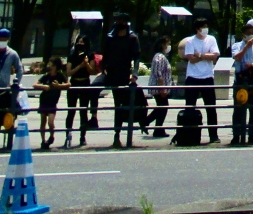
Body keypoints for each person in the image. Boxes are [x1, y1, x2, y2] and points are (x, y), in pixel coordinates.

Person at [102, 13, 142, 148]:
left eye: (122, 21)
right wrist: (103, 69)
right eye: (118, 21)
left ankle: (118, 134)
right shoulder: (110, 37)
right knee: (93, 89)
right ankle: (93, 118)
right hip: (110, 73)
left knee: (121, 105)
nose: (120, 24)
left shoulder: (132, 38)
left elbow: (136, 57)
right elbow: (105, 54)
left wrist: (134, 74)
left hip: (124, 75)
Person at [182, 18, 221, 144]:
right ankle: (189, 136)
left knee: (211, 108)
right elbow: (191, 59)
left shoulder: (211, 39)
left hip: (207, 77)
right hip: (192, 77)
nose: (205, 29)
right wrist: (206, 56)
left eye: (206, 26)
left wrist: (199, 55)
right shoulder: (190, 41)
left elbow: (215, 56)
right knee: (190, 107)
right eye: (202, 27)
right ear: (197, 29)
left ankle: (213, 136)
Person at [230, 18, 253, 145]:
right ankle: (236, 135)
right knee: (238, 110)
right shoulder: (236, 46)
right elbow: (236, 57)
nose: (251, 35)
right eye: (248, 33)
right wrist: (246, 47)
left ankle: (251, 135)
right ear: (243, 35)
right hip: (240, 82)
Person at [66, 34, 99, 147]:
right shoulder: (72, 55)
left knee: (83, 111)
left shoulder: (90, 55)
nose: (80, 44)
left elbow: (92, 71)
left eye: (82, 42)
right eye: (78, 41)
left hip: (85, 83)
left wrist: (86, 64)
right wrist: (80, 66)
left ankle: (82, 136)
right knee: (71, 110)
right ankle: (68, 134)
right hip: (74, 83)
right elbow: (68, 72)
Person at [34, 57, 68, 150]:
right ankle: (43, 140)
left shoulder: (60, 76)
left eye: (51, 65)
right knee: (43, 121)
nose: (49, 66)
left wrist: (59, 86)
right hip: (44, 100)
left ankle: (51, 136)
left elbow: (68, 84)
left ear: (56, 66)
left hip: (52, 102)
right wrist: (43, 87)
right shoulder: (46, 76)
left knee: (50, 122)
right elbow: (35, 84)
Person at [145, 36, 173, 139]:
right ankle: (147, 121)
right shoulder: (159, 57)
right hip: (159, 88)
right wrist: (162, 88)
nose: (169, 46)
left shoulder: (161, 57)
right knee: (163, 107)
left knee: (162, 107)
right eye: (168, 44)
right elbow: (158, 73)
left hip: (161, 87)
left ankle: (158, 128)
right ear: (162, 45)